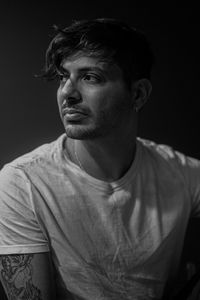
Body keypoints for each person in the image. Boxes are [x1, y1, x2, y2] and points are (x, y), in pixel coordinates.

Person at [0, 17, 199, 300]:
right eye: (63, 77)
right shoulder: (23, 183)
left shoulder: (176, 172)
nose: (67, 93)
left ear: (138, 93)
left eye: (90, 77)